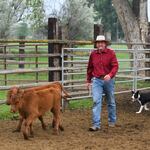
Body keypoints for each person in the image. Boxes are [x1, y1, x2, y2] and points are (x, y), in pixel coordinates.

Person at [86, 35, 119, 131]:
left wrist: (110, 75)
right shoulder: (93, 54)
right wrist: (88, 80)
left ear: (105, 44)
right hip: (97, 80)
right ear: (96, 44)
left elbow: (115, 66)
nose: (100, 44)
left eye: (102, 42)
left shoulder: (111, 53)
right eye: (98, 42)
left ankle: (112, 120)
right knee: (96, 101)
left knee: (111, 101)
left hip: (108, 80)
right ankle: (96, 124)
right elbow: (90, 68)